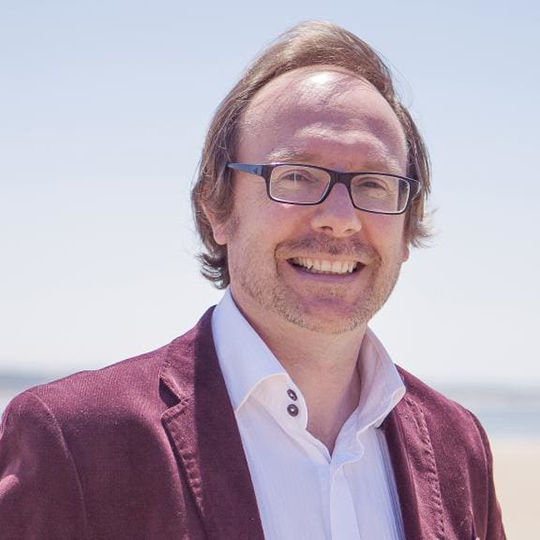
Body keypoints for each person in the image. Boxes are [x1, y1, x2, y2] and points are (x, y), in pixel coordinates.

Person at [0, 21, 505, 540]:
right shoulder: (77, 441)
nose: (340, 217)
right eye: (296, 176)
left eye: (374, 184)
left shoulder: (457, 445)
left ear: (406, 229)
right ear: (217, 208)